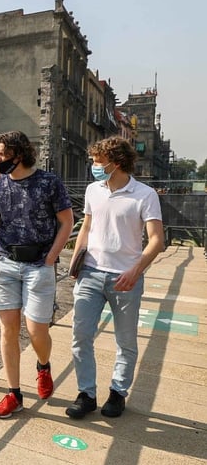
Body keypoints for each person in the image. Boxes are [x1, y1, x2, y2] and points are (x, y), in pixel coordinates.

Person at [66, 136, 164, 419]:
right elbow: (86, 226)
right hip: (91, 273)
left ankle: (118, 393)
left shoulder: (145, 195)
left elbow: (157, 240)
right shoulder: (93, 190)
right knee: (80, 336)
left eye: (98, 161)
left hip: (126, 278)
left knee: (125, 341)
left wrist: (136, 270)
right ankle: (86, 394)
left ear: (116, 163)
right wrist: (76, 261)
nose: (94, 166)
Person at [0, 131, 74, 418]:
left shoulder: (48, 182)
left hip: (38, 266)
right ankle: (14, 394)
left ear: (20, 154)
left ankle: (43, 366)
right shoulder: (0, 183)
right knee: (7, 330)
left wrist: (52, 257)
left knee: (36, 330)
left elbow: (67, 221)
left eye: (4, 154)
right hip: (5, 263)